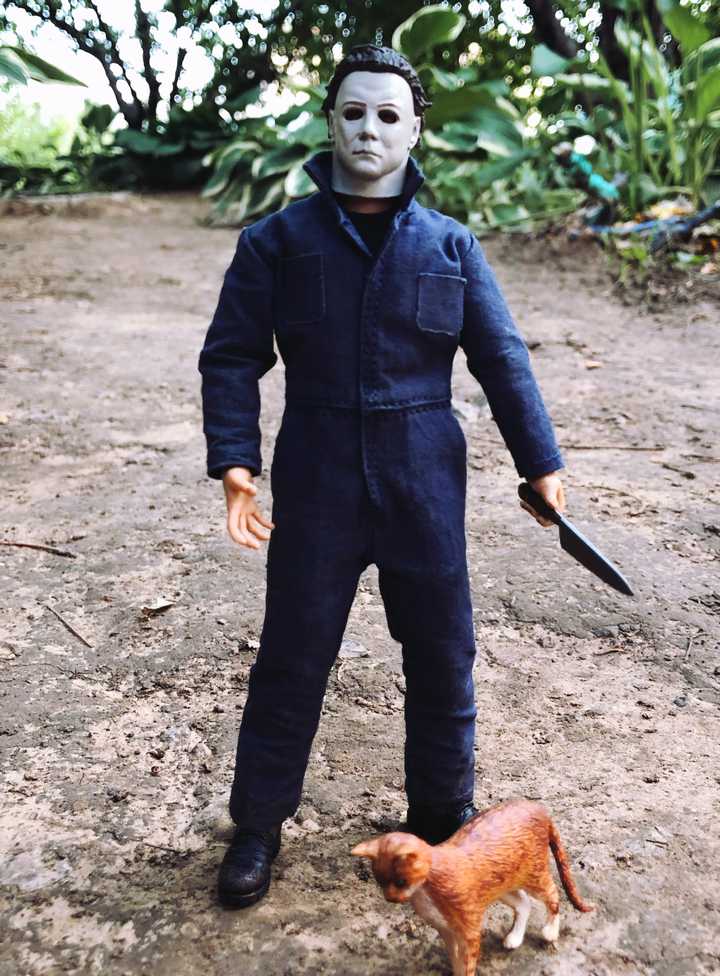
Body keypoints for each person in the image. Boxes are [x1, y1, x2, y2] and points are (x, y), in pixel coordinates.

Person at [197, 44, 566, 910]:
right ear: (330, 122)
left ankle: (442, 814)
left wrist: (541, 462)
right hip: (318, 468)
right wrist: (236, 465)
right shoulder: (277, 241)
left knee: (442, 648)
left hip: (423, 472)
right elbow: (232, 356)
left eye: (389, 115)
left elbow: (501, 357)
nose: (370, 130)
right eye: (354, 112)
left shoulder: (450, 244)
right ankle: (258, 824)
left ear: (415, 131)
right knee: (293, 651)